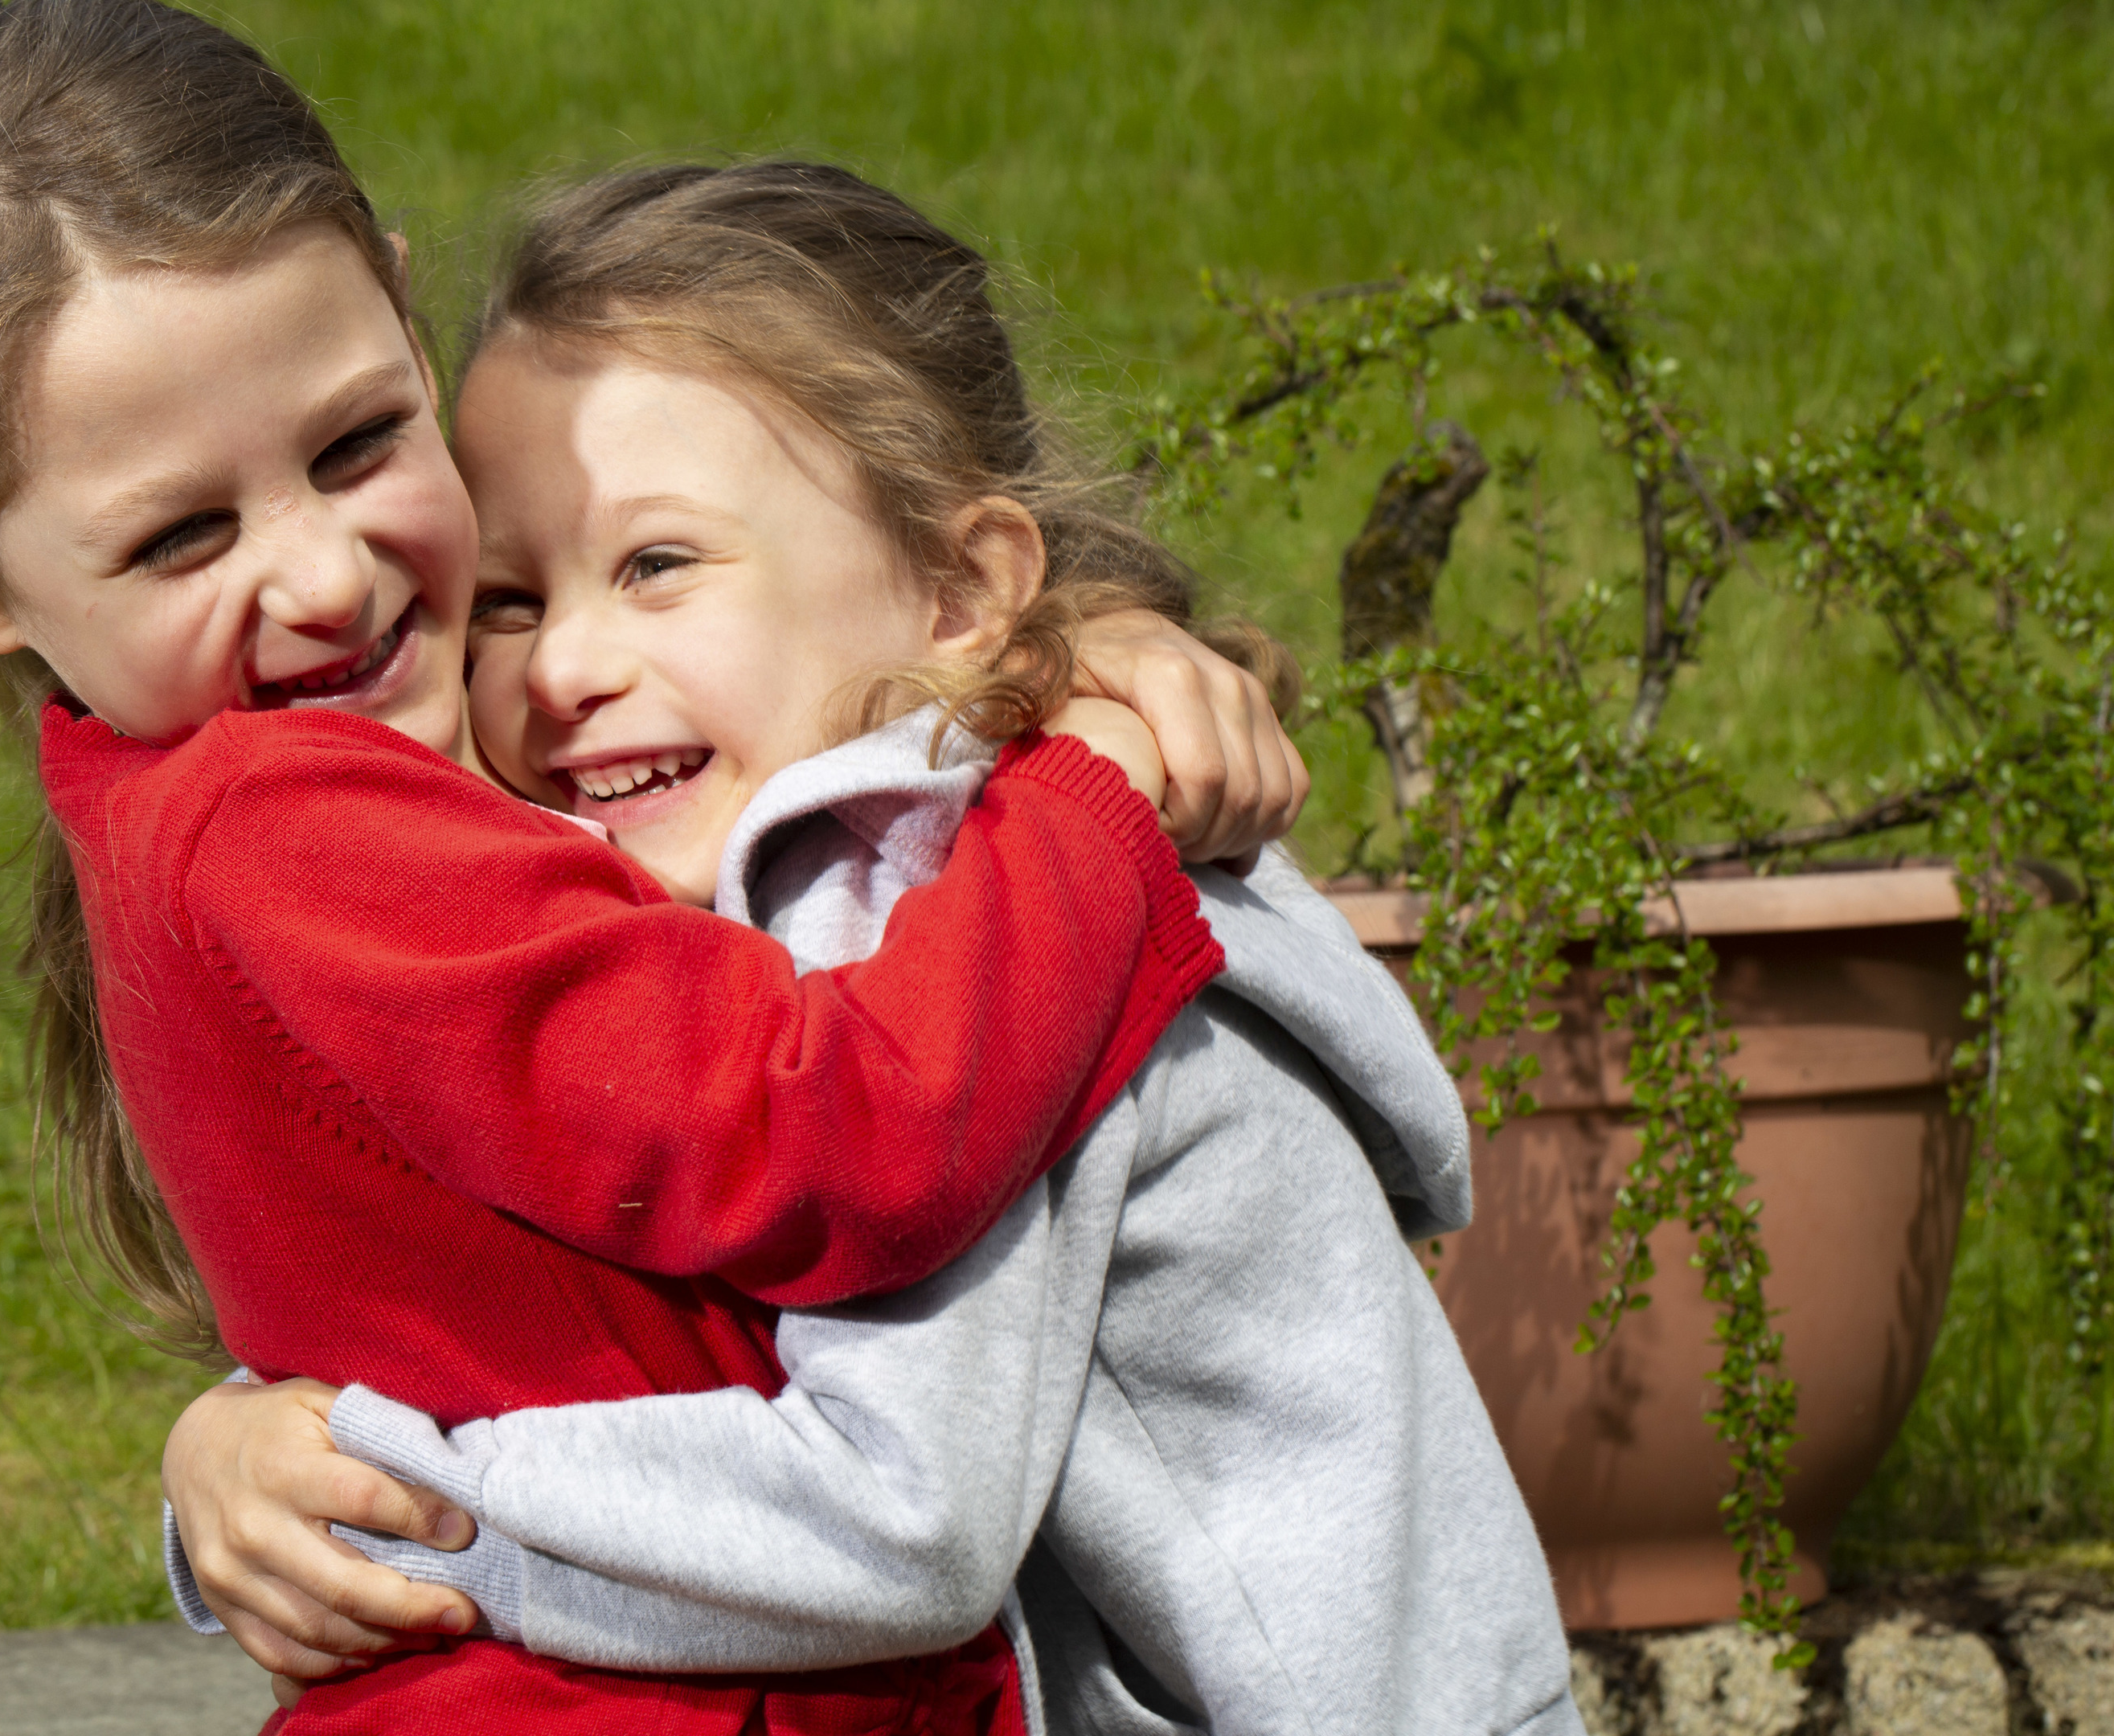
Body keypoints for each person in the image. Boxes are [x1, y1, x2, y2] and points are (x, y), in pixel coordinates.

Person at [0, 5, 1300, 1731]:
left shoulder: (249, 761)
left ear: (411, 328)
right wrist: (1082, 794)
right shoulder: (301, 829)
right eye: (183, 535)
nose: (325, 578)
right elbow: (833, 1137)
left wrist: (1068, 646)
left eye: (355, 446)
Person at [162, 164, 1583, 1736]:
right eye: (508, 597)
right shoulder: (823, 881)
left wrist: (373, 1486)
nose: (565, 666)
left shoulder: (944, 926)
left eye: (657, 566)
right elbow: (597, 1316)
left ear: (961, 589)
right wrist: (237, 1439)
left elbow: (892, 1517)